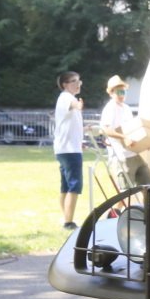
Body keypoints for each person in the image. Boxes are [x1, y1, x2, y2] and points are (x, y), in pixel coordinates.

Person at [100, 75, 150, 192]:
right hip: (121, 156)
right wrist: (124, 137)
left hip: (133, 153)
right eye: (118, 92)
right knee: (125, 193)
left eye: (123, 91)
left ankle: (147, 204)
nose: (122, 94)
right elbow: (106, 130)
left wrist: (146, 143)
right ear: (111, 93)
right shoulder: (110, 108)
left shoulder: (126, 108)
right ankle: (119, 206)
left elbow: (133, 131)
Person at [53, 71, 84, 229]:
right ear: (65, 84)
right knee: (74, 185)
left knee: (65, 185)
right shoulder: (66, 97)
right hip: (70, 150)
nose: (78, 84)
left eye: (79, 81)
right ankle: (68, 221)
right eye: (74, 81)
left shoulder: (65, 98)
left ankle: (66, 217)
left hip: (65, 149)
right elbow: (74, 105)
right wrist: (79, 105)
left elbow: (71, 126)